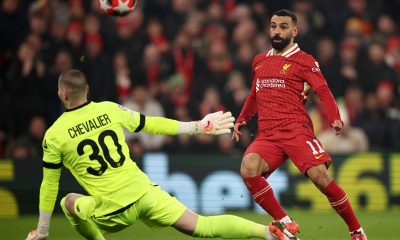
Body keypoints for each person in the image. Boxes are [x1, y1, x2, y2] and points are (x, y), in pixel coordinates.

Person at [26, 69, 288, 240]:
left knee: (69, 202)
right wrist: (197, 127)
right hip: (145, 192)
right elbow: (152, 123)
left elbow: (50, 184)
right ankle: (268, 231)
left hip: (111, 208)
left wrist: (43, 230)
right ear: (87, 91)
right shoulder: (110, 109)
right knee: (203, 226)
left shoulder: (54, 134)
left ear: (62, 93)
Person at [232, 9, 367, 240]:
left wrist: (334, 115)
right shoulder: (259, 61)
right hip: (267, 134)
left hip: (296, 130)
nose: (276, 31)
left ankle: (356, 231)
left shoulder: (305, 61)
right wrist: (242, 119)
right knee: (248, 167)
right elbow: (254, 94)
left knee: (320, 177)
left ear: (294, 31)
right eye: (273, 26)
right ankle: (285, 223)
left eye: (283, 27)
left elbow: (322, 89)